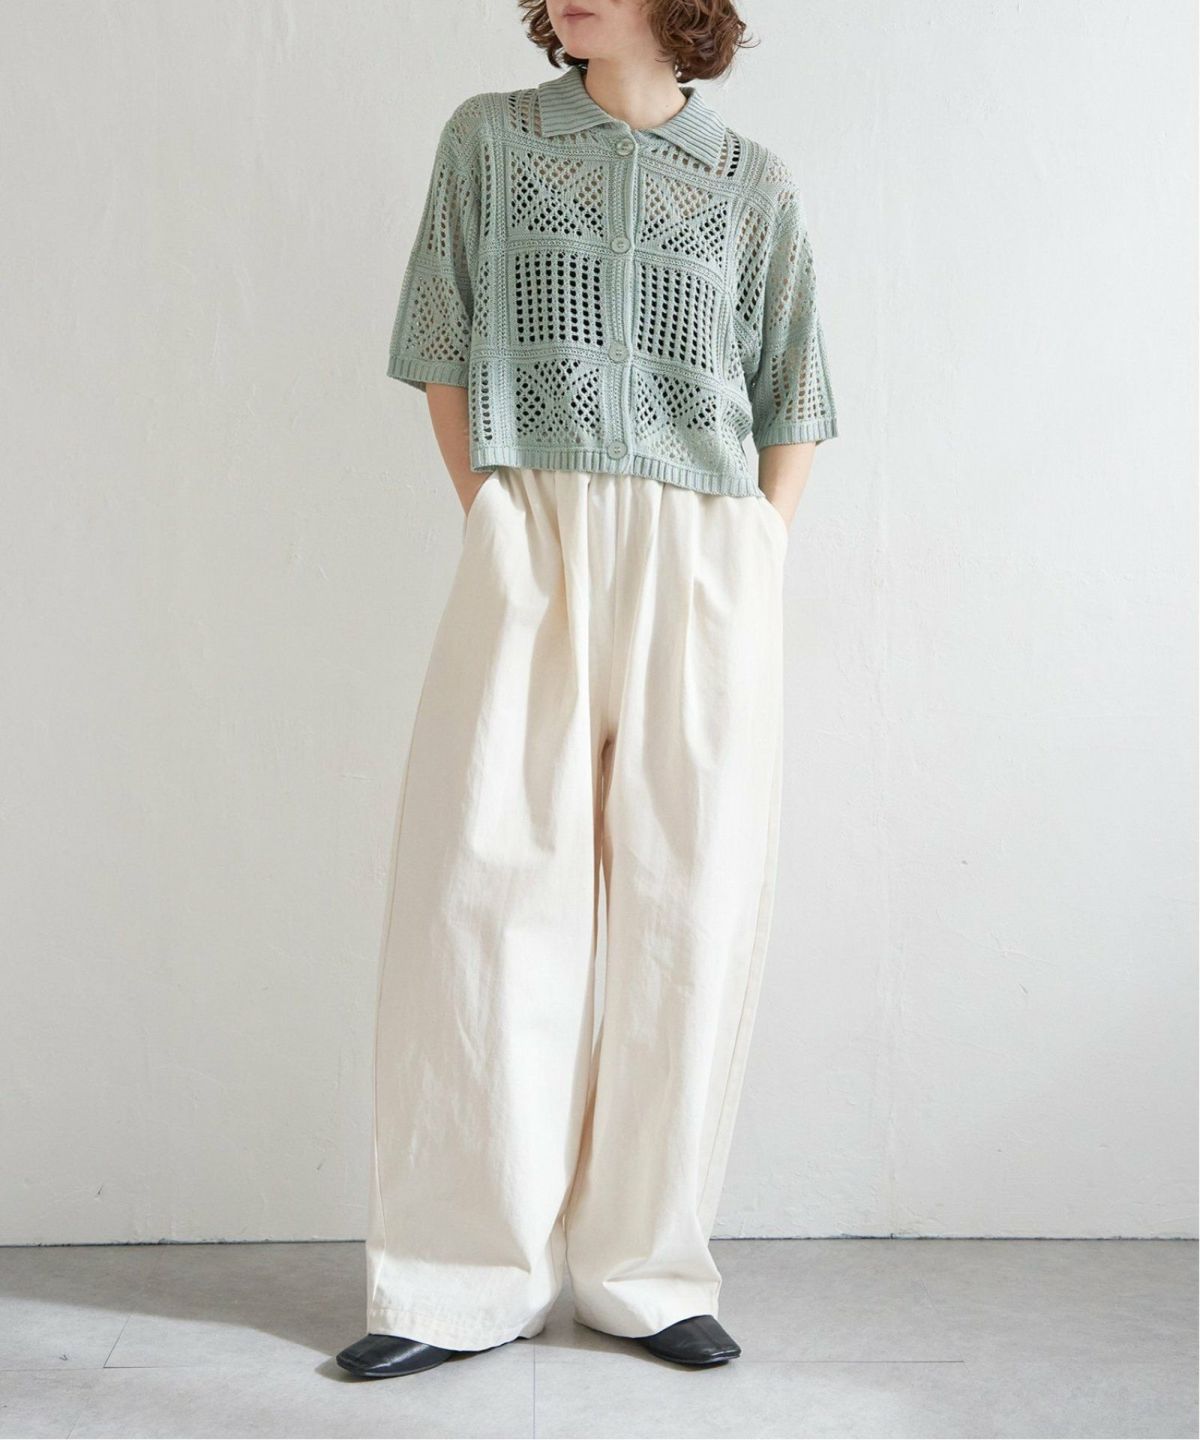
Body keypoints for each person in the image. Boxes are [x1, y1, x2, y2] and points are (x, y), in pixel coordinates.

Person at [337, 0, 838, 1379]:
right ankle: (456, 1283)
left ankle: (646, 1272)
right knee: (487, 895)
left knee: (690, 904)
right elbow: (441, 341)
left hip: (704, 551)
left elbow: (794, 391)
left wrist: (756, 551)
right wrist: (492, 515)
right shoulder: (490, 141)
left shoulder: (752, 184)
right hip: (537, 532)